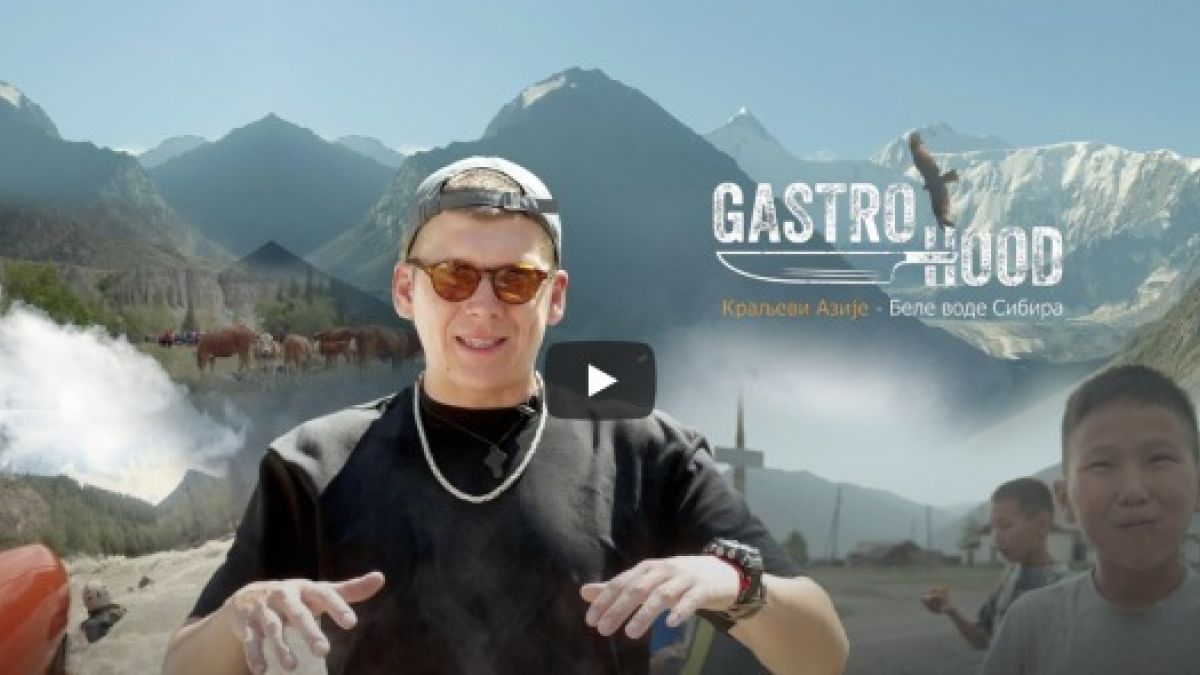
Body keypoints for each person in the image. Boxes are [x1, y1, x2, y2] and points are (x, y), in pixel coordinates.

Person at [162, 156, 848, 675]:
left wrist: (737, 586)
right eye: (453, 275)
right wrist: (239, 615)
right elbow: (183, 664)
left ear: (556, 296)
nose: (484, 304)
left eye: (516, 279)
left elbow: (822, 651)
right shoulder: (312, 463)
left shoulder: (647, 450)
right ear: (405, 289)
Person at [981, 364, 1200, 674]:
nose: (1133, 491)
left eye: (1159, 458)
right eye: (1102, 464)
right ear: (1065, 500)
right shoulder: (1029, 624)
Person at [921, 477, 1069, 650]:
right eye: (993, 527)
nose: (995, 538)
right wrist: (951, 610)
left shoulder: (1066, 590)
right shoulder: (1010, 575)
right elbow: (982, 640)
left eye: (1005, 526)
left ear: (1041, 525)